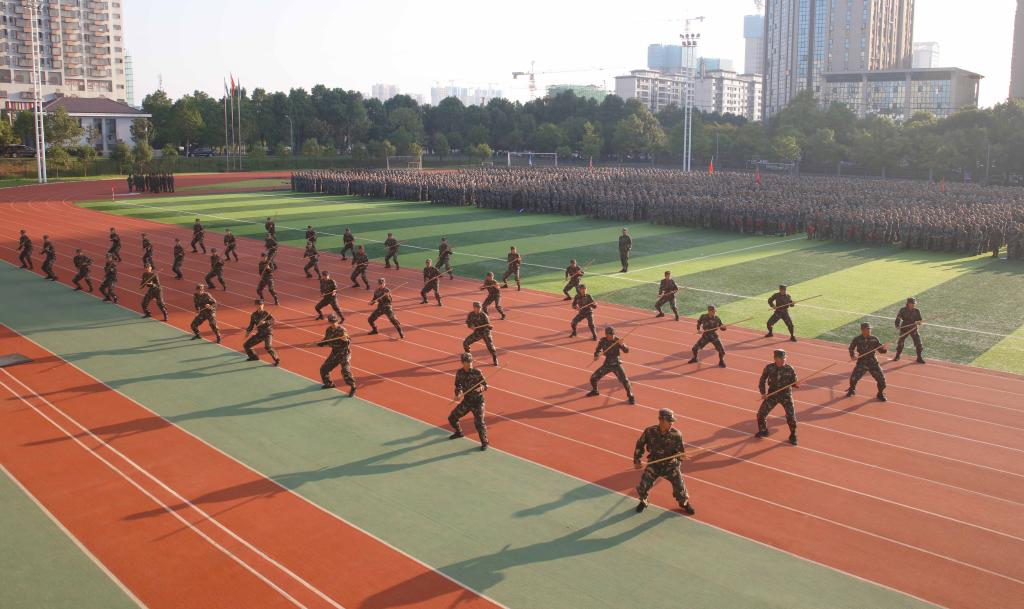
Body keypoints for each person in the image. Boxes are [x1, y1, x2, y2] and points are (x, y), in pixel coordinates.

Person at [633, 408, 694, 515]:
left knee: (680, 488)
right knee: (642, 487)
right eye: (668, 421)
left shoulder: (677, 435)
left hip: (670, 465)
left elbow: (680, 452)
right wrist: (637, 460)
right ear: (660, 420)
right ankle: (643, 501)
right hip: (654, 464)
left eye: (672, 421)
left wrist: (681, 457)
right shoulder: (649, 431)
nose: (671, 423)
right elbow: (640, 444)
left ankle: (684, 504)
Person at [755, 349, 800, 445]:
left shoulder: (790, 369)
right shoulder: (769, 368)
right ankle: (763, 430)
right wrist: (763, 393)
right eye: (782, 358)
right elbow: (762, 381)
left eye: (784, 358)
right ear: (775, 358)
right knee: (761, 414)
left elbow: (795, 383)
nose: (784, 360)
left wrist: (796, 384)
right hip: (772, 395)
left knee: (791, 417)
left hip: (786, 395)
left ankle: (793, 435)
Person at [448, 352, 489, 451]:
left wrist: (480, 389)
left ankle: (484, 442)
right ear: (462, 362)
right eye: (467, 362)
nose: (470, 363)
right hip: (467, 401)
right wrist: (458, 394)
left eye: (471, 361)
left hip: (478, 402)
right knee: (452, 418)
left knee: (479, 423)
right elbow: (458, 386)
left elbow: (485, 385)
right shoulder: (459, 373)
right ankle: (459, 432)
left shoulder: (477, 372)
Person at [587, 326, 635, 404]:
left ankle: (630, 396)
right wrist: (597, 355)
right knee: (593, 378)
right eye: (609, 335)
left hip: (616, 364)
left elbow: (626, 351)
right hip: (607, 364)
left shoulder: (617, 340)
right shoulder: (603, 340)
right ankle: (595, 391)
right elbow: (598, 349)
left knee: (625, 380)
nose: (611, 336)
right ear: (606, 334)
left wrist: (622, 345)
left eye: (612, 335)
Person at [847, 322, 888, 401]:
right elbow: (851, 348)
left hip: (873, 363)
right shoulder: (857, 339)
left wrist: (884, 349)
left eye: (870, 329)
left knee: (882, 381)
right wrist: (852, 356)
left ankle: (880, 393)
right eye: (867, 329)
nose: (869, 330)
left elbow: (881, 351)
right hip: (862, 362)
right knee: (853, 379)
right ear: (862, 330)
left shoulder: (874, 339)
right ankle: (852, 389)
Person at [318, 314, 356, 395]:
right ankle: (329, 384)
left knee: (345, 371)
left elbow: (348, 341)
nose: (333, 324)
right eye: (331, 322)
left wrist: (345, 340)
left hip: (344, 353)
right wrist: (322, 343)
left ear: (337, 321)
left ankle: (353, 386)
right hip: (335, 353)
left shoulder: (342, 330)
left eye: (334, 322)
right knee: (324, 369)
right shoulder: (328, 330)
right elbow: (327, 339)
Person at [244, 299, 280, 365]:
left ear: (263, 305)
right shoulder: (253, 315)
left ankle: (277, 360)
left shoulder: (266, 313)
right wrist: (248, 331)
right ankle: (254, 357)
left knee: (268, 347)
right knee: (246, 345)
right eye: (258, 305)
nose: (260, 306)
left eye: (261, 304)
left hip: (267, 333)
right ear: (256, 306)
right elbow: (251, 325)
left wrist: (265, 322)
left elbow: (273, 320)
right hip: (260, 334)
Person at [463, 301, 498, 366]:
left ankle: (494, 358)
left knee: (490, 346)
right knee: (465, 343)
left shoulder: (484, 315)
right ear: (474, 307)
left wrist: (490, 327)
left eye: (480, 308)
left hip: (485, 332)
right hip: (477, 332)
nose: (479, 309)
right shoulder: (471, 314)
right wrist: (471, 326)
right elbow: (468, 322)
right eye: (478, 307)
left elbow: (488, 325)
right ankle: (468, 357)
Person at [894, 297, 925, 363]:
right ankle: (897, 355)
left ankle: (919, 357)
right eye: (912, 303)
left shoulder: (917, 311)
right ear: (908, 303)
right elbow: (898, 318)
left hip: (913, 329)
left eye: (914, 303)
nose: (913, 305)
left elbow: (920, 320)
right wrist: (897, 325)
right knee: (900, 343)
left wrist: (918, 322)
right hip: (904, 328)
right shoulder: (902, 310)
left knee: (918, 343)